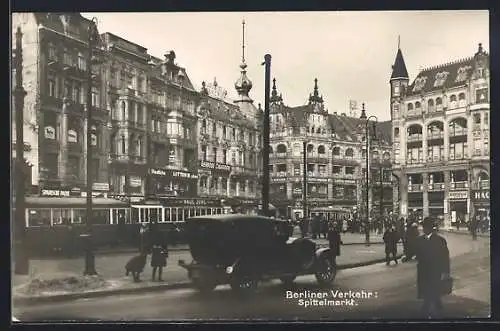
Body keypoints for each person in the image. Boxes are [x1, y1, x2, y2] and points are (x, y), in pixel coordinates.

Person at [415, 217, 451, 318]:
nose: (424, 229)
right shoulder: (419, 240)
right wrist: (407, 256)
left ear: (431, 228)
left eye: (426, 227)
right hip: (423, 271)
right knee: (427, 290)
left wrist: (446, 272)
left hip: (435, 270)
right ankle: (434, 309)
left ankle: (430, 311)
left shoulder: (440, 240)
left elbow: (445, 257)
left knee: (433, 290)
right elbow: (416, 252)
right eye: (423, 227)